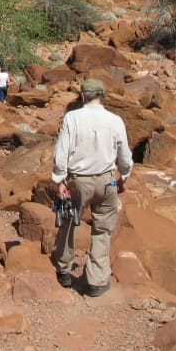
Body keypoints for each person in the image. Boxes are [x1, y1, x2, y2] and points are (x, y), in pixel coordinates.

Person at [50, 78, 132, 297]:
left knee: (68, 222)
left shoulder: (72, 118)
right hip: (107, 180)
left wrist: (59, 180)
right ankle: (96, 280)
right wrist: (124, 177)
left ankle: (64, 270)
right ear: (102, 96)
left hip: (78, 180)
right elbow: (124, 156)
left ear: (83, 96)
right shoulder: (115, 120)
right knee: (103, 230)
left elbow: (61, 153)